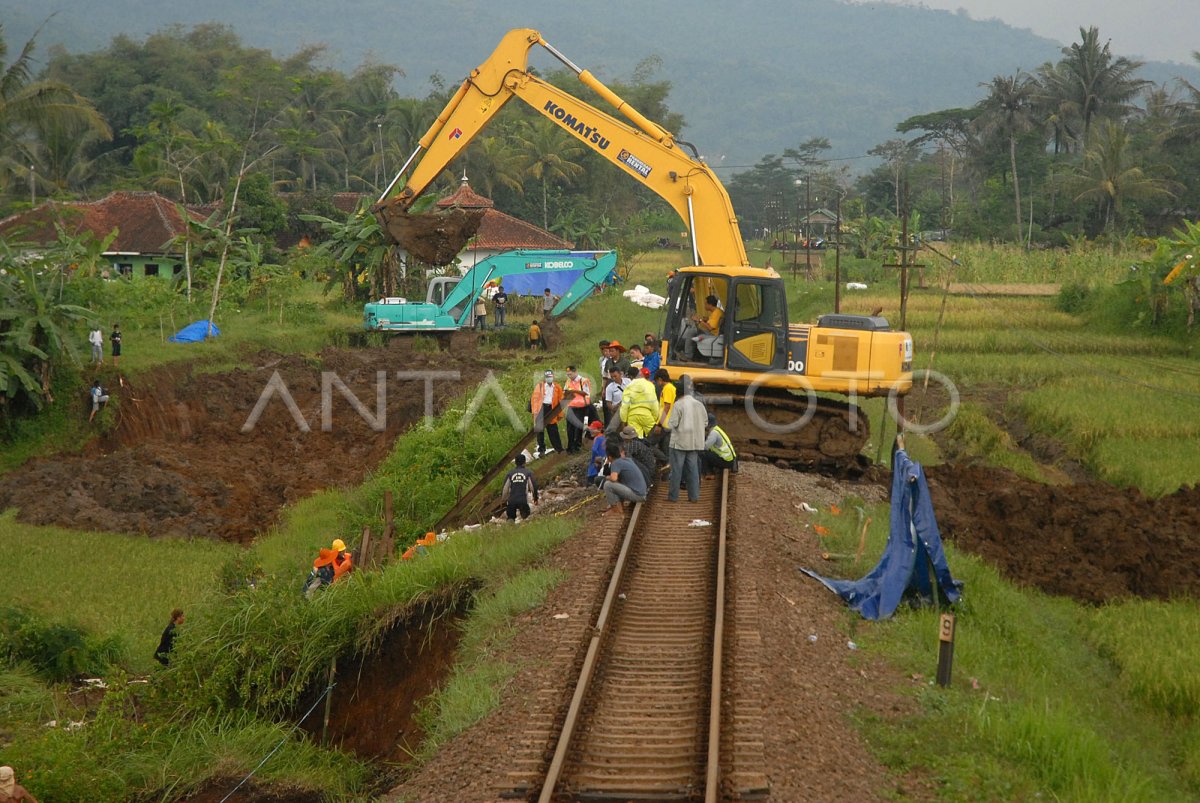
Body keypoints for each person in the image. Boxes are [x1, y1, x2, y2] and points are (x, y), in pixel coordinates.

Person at [666, 375, 707, 502]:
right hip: (695, 442)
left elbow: (672, 424)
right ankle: (694, 497)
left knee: (677, 470)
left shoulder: (679, 405)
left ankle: (673, 497)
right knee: (693, 470)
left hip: (680, 443)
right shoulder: (699, 404)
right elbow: (705, 423)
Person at [601, 440, 648, 512]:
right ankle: (619, 508)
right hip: (642, 493)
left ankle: (614, 509)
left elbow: (613, 478)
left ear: (609, 457)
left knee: (608, 485)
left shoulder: (616, 463)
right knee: (616, 484)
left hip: (638, 495)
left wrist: (607, 477)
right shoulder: (627, 459)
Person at [619, 364, 660, 438]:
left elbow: (624, 406)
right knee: (653, 438)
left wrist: (623, 420)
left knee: (635, 438)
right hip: (647, 414)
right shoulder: (650, 385)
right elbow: (654, 404)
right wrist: (655, 417)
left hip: (633, 415)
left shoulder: (629, 386)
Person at [531, 369, 564, 456]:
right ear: (545, 378)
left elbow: (561, 400)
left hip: (551, 408)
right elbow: (535, 399)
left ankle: (559, 448)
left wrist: (559, 413)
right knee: (539, 430)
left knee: (553, 429)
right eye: (547, 377)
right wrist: (535, 412)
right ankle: (542, 450)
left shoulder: (557, 387)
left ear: (553, 377)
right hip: (541, 408)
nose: (549, 378)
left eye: (550, 377)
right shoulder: (540, 386)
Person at [682, 294, 723, 360]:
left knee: (692, 331)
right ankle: (694, 355)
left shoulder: (716, 313)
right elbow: (713, 322)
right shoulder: (717, 312)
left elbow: (710, 328)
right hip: (714, 333)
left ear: (710, 304)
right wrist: (706, 320)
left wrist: (699, 320)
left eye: (705, 304)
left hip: (713, 335)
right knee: (695, 331)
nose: (704, 306)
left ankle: (688, 355)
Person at [563, 365, 594, 453]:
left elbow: (586, 393)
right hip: (571, 406)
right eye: (568, 375)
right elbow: (565, 390)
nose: (569, 376)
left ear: (575, 372)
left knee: (578, 427)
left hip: (581, 407)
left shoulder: (583, 380)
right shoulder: (568, 381)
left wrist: (573, 391)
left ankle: (577, 446)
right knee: (569, 428)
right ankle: (570, 446)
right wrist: (566, 393)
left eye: (571, 374)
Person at [502, 453, 539, 521]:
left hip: (511, 501)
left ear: (515, 462)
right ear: (525, 462)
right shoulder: (528, 473)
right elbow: (533, 487)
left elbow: (505, 489)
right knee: (526, 518)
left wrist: (504, 500)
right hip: (523, 500)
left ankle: (511, 529)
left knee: (510, 518)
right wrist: (535, 498)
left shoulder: (510, 474)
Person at [585, 420, 607, 485]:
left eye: (593, 429)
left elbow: (594, 450)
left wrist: (594, 460)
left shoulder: (597, 438)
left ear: (599, 429)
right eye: (591, 429)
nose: (591, 431)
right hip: (603, 464)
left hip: (595, 467)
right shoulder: (603, 437)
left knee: (590, 483)